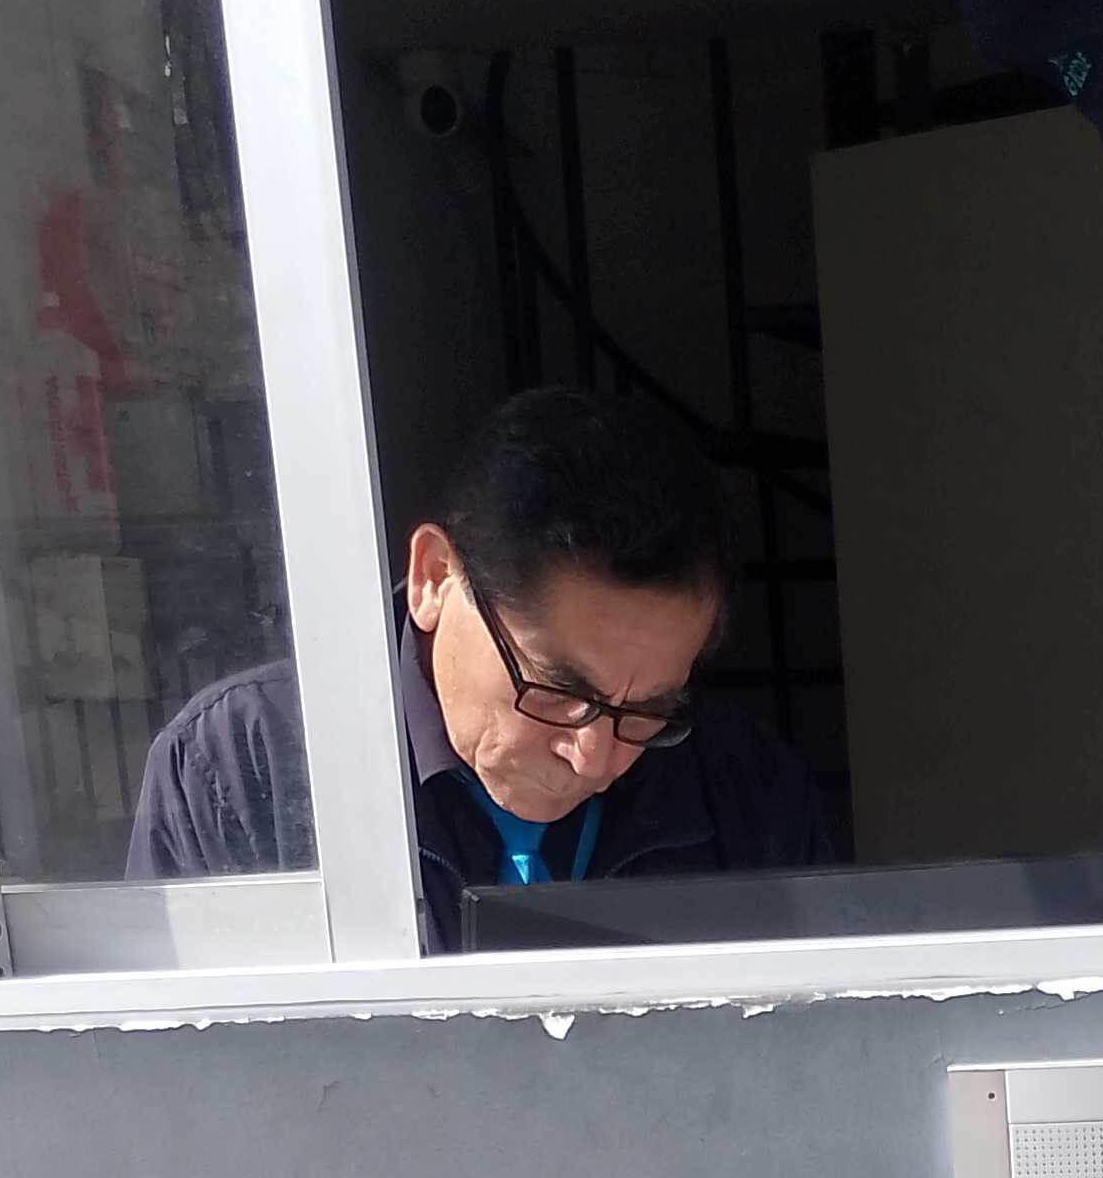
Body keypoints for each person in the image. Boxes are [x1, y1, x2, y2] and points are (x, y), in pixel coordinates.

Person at [126, 382, 825, 945]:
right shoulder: (240, 766)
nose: (594, 758)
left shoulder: (745, 788)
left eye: (646, 710)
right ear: (434, 577)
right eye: (555, 688)